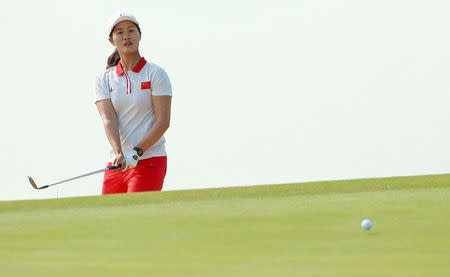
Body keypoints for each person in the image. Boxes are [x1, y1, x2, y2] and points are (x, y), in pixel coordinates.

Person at [94, 12, 172, 194]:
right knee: (108, 218)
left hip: (150, 160)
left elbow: (163, 121)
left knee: (136, 217)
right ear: (111, 40)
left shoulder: (155, 74)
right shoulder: (104, 79)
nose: (126, 36)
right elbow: (108, 119)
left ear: (140, 35)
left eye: (131, 30)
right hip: (117, 163)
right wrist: (119, 152)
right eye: (119, 32)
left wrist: (137, 151)